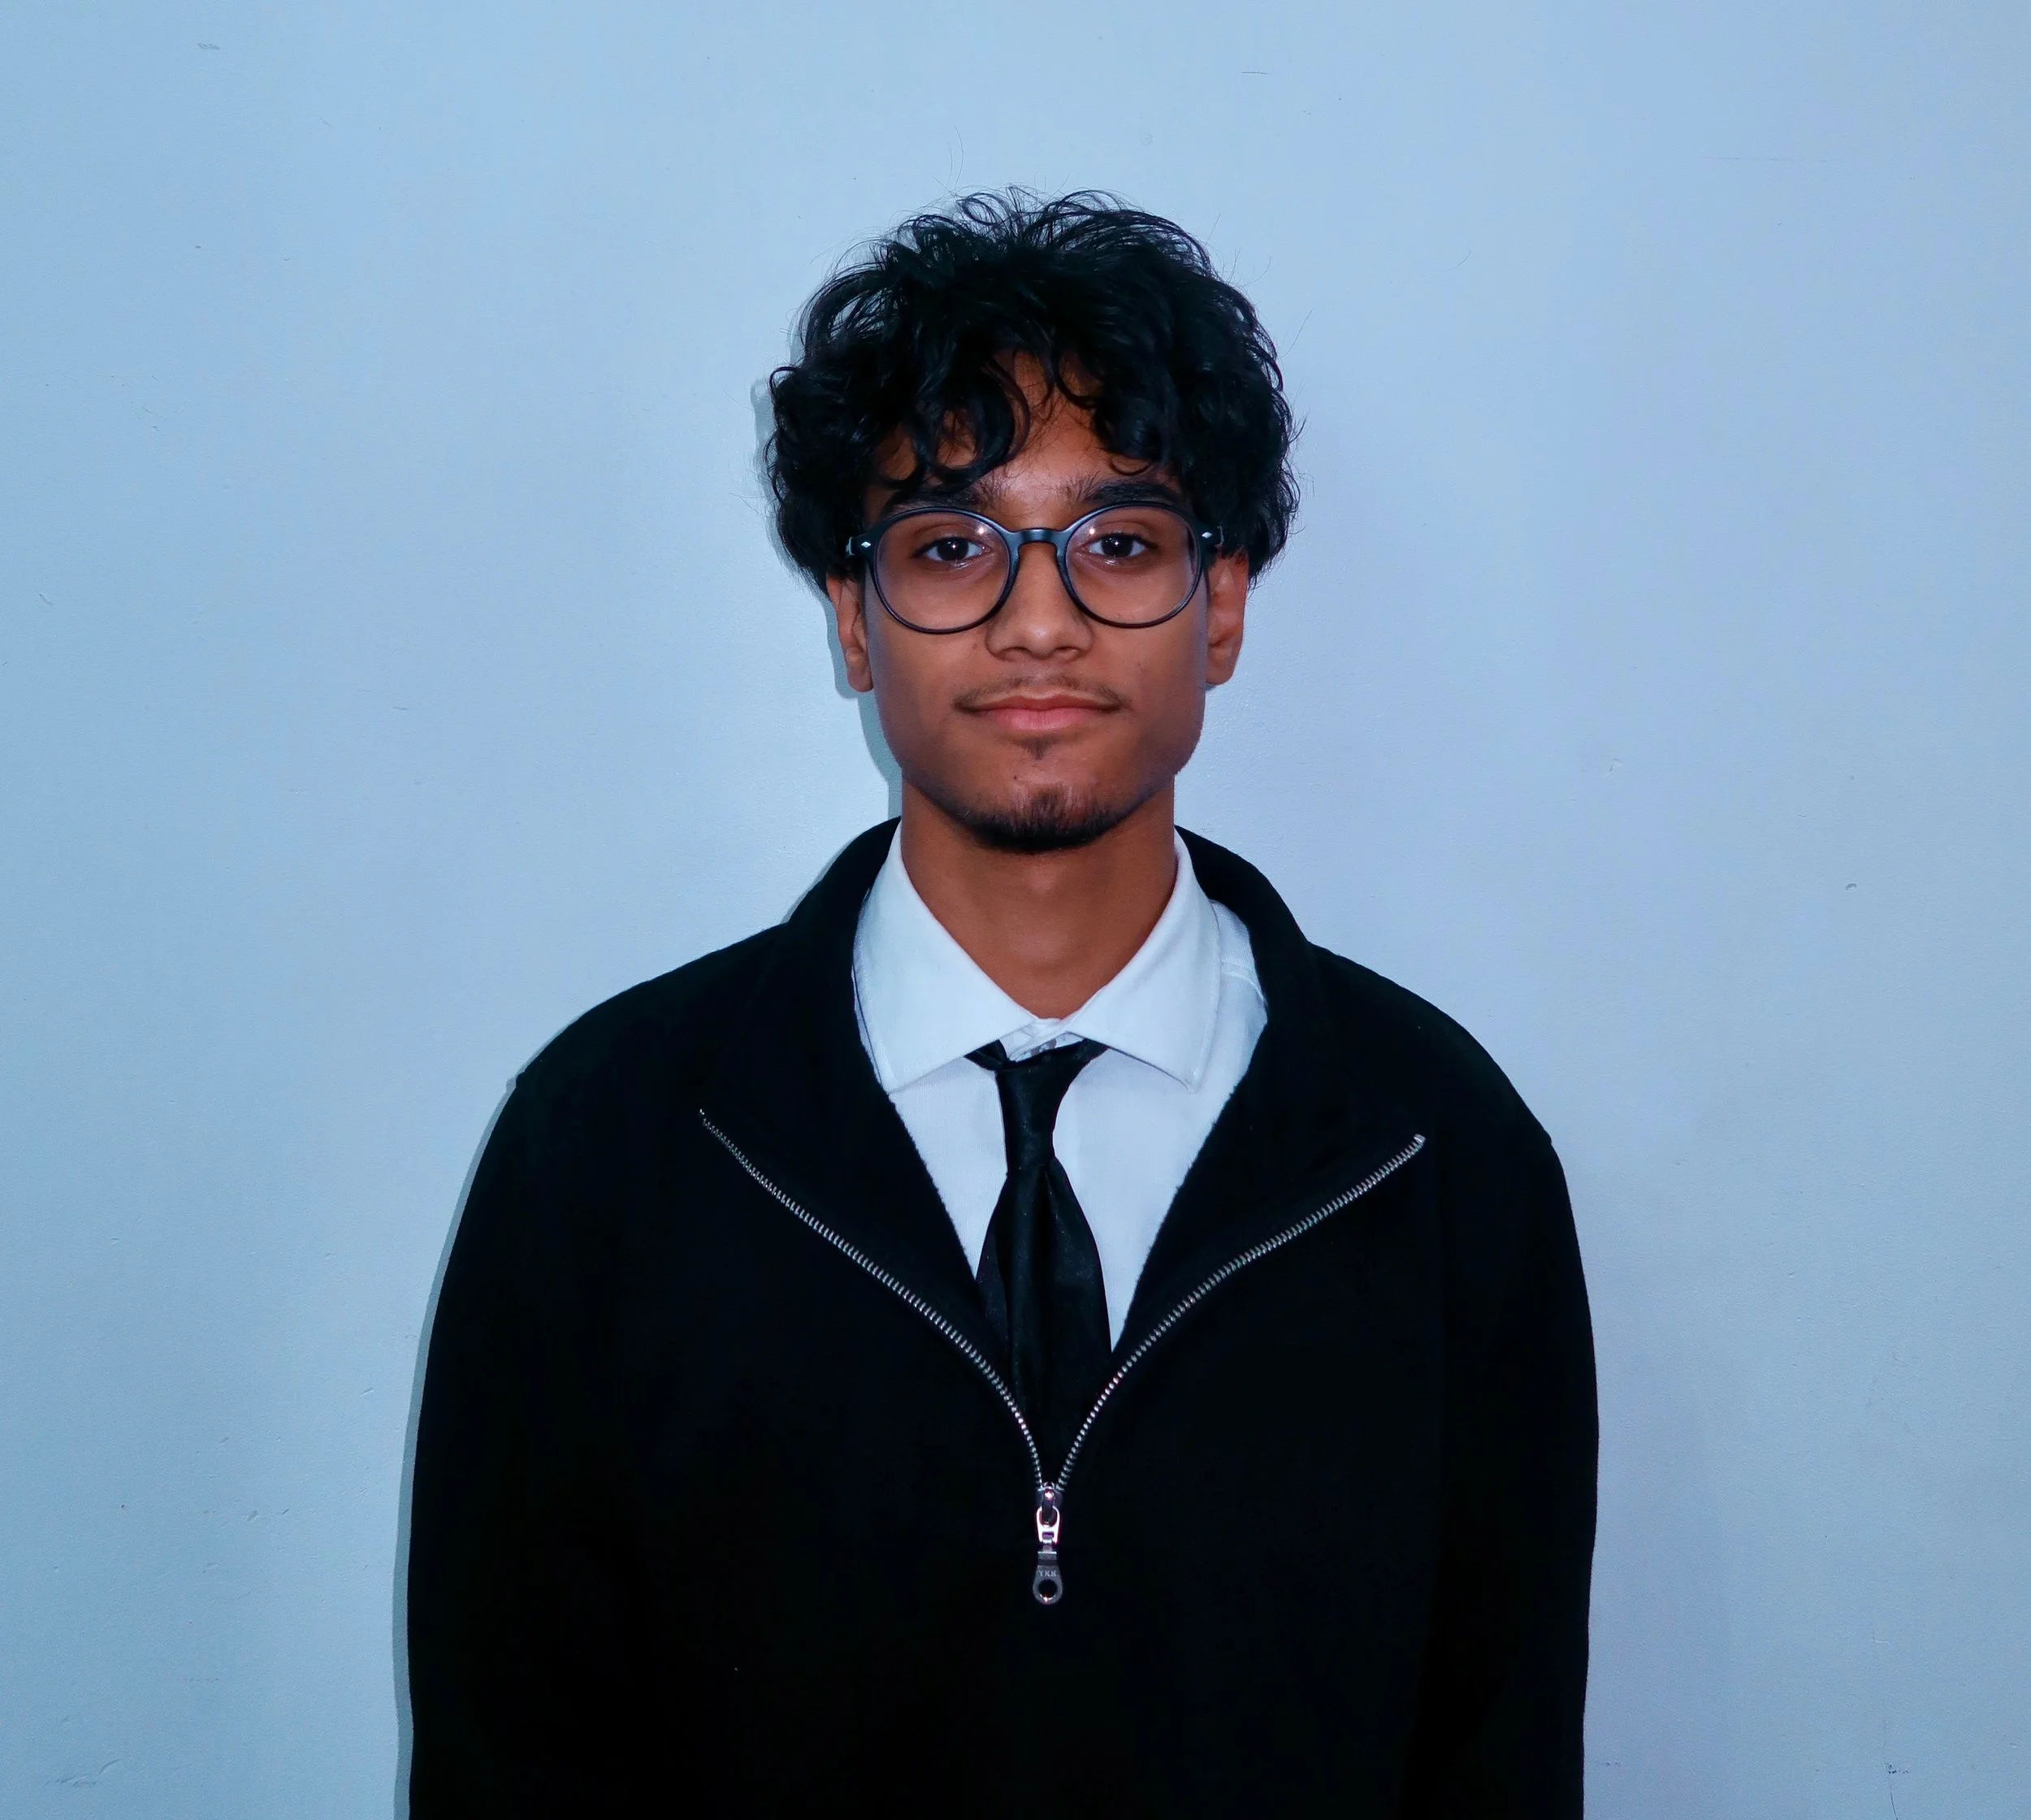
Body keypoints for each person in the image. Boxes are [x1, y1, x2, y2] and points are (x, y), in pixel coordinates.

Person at [406, 192, 1596, 1817]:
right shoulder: (612, 1144)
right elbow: (513, 1763)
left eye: (1117, 542)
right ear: (851, 616)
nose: (1037, 621)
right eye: (951, 546)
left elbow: (1496, 1754)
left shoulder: (1428, 1149)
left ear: (1221, 605)